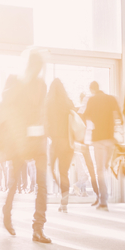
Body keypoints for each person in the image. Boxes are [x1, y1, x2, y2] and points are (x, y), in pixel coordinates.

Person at [0, 50, 52, 244]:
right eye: (35, 66)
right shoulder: (14, 80)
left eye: (40, 67)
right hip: (19, 140)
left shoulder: (42, 84)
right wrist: (23, 82)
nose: (38, 70)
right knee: (14, 182)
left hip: (38, 140)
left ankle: (38, 228)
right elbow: (5, 101)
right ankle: (7, 212)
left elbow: (42, 109)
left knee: (42, 184)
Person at [82, 81, 120, 211]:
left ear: (92, 89)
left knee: (100, 170)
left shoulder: (91, 100)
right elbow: (119, 117)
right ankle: (105, 195)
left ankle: (103, 201)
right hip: (111, 139)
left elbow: (85, 116)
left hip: (98, 139)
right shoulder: (111, 99)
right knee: (106, 167)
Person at [47, 79, 78, 213]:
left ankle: (62, 193)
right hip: (69, 143)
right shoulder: (68, 102)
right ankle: (64, 202)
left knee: (51, 169)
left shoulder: (48, 103)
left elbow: (45, 123)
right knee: (64, 172)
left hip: (56, 142)